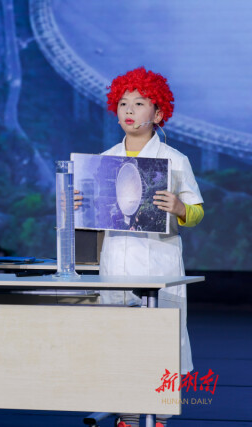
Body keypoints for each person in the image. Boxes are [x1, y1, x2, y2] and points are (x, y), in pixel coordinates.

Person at [100, 67, 204, 427]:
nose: (129, 109)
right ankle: (126, 417)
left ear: (158, 113)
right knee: (118, 342)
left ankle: (157, 417)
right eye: (123, 103)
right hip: (115, 264)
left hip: (159, 263)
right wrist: (77, 203)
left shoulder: (175, 160)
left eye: (140, 103)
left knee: (160, 342)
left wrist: (179, 208)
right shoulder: (105, 160)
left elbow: (197, 212)